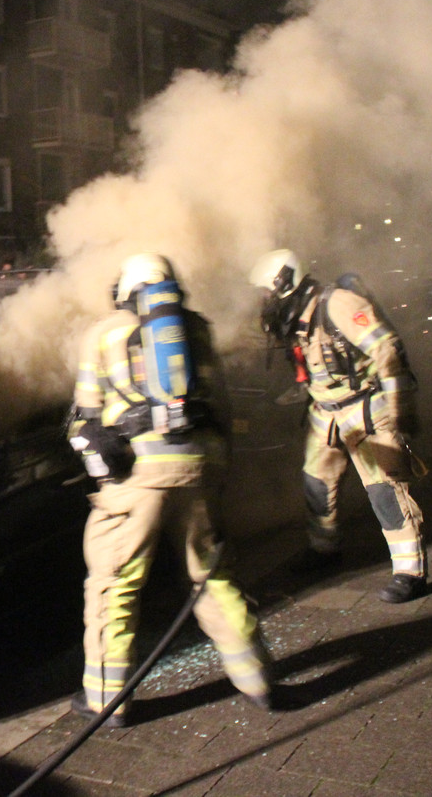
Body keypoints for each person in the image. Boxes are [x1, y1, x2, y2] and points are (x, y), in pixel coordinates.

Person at [67, 253, 272, 728]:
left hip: (136, 479)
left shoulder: (103, 334)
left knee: (115, 585)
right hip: (200, 470)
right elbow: (221, 407)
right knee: (212, 576)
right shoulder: (197, 331)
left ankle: (105, 698)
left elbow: (85, 415)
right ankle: (257, 677)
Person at [247, 248, 428, 603]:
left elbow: (387, 350)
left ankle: (410, 571)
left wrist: (400, 410)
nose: (265, 300)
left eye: (267, 292)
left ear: (285, 283)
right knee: (317, 482)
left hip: (366, 410)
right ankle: (324, 550)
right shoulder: (297, 313)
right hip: (325, 411)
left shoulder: (339, 304)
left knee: (384, 490)